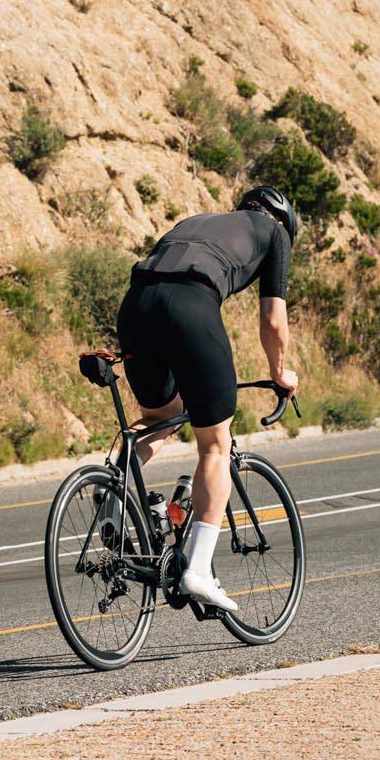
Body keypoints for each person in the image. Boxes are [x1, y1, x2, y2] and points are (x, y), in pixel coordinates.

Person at [116, 186, 299, 613]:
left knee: (162, 416)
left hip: (136, 306)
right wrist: (279, 373)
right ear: (282, 220)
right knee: (215, 445)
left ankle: (112, 499)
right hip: (190, 308)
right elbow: (273, 320)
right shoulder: (274, 234)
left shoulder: (198, 221)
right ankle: (197, 569)